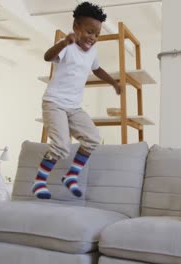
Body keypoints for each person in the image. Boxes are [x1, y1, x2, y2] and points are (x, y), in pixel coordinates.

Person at [32, 2, 121, 199]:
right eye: (89, 31)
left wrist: (113, 83)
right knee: (61, 145)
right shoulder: (68, 47)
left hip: (74, 107)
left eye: (96, 35)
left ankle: (71, 175)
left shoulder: (92, 53)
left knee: (92, 139)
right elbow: (48, 56)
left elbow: (97, 69)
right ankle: (39, 181)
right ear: (76, 28)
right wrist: (64, 42)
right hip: (54, 103)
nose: (93, 38)